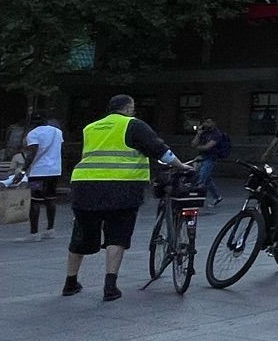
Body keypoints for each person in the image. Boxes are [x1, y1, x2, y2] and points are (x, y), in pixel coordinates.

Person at [63, 94, 188, 301]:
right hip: (122, 188)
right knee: (117, 236)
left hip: (84, 187)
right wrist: (181, 166)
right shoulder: (134, 125)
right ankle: (110, 287)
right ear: (129, 108)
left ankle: (70, 283)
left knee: (81, 236)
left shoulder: (91, 128)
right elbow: (160, 151)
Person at [20, 112, 65, 240]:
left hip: (38, 172)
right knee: (50, 199)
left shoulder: (33, 134)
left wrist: (23, 170)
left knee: (35, 201)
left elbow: (32, 153)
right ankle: (50, 229)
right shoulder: (57, 132)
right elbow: (61, 150)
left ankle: (34, 233)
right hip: (54, 171)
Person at [194, 118, 230, 207]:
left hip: (210, 158)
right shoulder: (204, 133)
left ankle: (197, 200)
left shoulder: (217, 134)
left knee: (201, 180)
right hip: (201, 157)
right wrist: (198, 134)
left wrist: (199, 147)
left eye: (208, 122)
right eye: (205, 122)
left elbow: (208, 146)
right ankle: (217, 197)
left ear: (214, 123)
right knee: (207, 179)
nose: (206, 124)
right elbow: (193, 144)